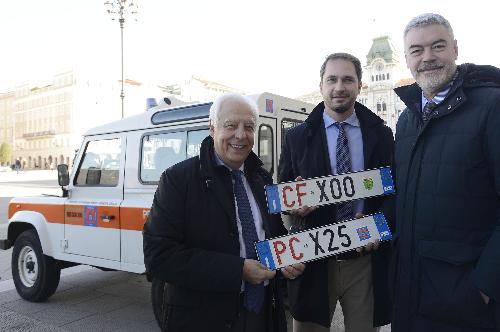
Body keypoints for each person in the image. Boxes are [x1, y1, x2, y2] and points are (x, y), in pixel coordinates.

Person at [143, 93, 305, 332]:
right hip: (204, 318)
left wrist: (287, 259)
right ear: (212, 128)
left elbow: (273, 235)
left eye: (249, 127)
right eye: (231, 125)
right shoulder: (178, 180)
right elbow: (159, 257)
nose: (241, 135)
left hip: (263, 313)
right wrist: (237, 270)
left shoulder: (261, 178)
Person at [390, 13, 500, 331]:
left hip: (466, 305)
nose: (427, 57)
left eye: (437, 46)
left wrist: (484, 287)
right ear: (408, 60)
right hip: (410, 295)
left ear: (455, 48)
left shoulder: (492, 107)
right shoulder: (407, 120)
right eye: (416, 50)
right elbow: (402, 196)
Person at [278, 53, 394, 332]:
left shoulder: (381, 134)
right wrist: (292, 204)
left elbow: (393, 192)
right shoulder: (296, 138)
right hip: (314, 260)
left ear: (359, 85)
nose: (339, 86)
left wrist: (376, 225)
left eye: (347, 79)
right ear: (321, 85)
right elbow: (282, 193)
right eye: (332, 79)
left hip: (364, 260)